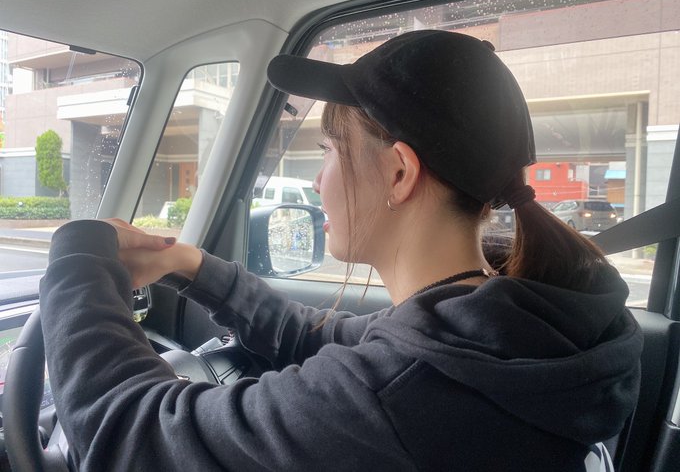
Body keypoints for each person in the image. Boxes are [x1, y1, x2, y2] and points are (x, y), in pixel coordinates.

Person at [40, 30, 642, 471]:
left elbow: (127, 435)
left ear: (400, 173)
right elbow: (322, 339)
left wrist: (79, 255)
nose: (319, 179)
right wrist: (189, 265)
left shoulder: (401, 395)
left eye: (329, 150)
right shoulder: (509, 331)